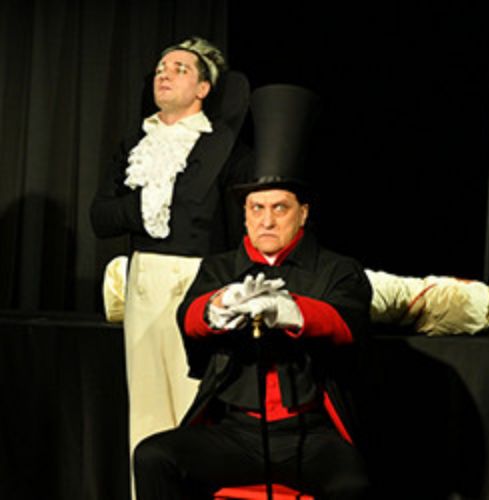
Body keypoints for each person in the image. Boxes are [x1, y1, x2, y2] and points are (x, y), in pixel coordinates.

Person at [133, 84, 374, 499]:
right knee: (153, 456)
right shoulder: (220, 267)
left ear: (303, 213)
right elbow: (188, 319)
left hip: (309, 435)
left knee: (352, 485)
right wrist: (216, 307)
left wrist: (292, 311)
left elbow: (347, 325)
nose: (266, 221)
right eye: (256, 209)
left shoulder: (338, 269)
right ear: (244, 216)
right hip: (236, 433)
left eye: (280, 208)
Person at [89, 35, 251, 488]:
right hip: (143, 280)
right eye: (162, 67)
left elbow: (241, 226)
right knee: (145, 407)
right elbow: (100, 217)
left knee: (192, 403)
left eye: (180, 68)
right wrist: (142, 206)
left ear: (203, 88)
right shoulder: (135, 144)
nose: (165, 73)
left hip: (198, 282)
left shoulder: (226, 148)